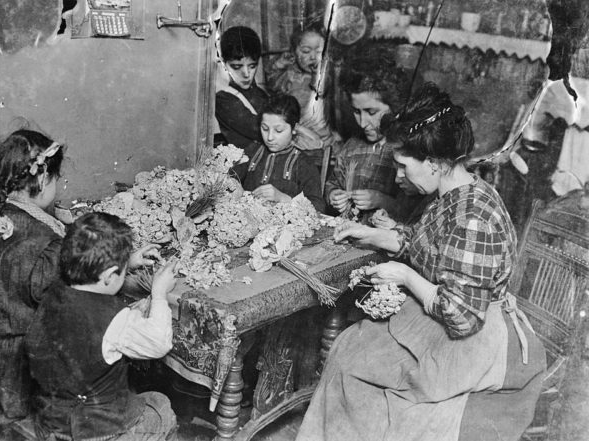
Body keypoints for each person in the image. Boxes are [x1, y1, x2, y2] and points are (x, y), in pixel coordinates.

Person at [296, 83, 546, 441]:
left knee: (359, 370)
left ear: (433, 163)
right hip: (445, 314)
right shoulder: (451, 193)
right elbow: (424, 243)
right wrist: (374, 236)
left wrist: (404, 276)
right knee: (350, 346)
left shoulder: (473, 216)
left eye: (402, 166)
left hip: (474, 338)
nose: (398, 176)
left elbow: (461, 316)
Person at [0, 129, 161, 422]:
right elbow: (81, 297)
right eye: (56, 177)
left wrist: (127, 260)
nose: (58, 184)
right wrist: (123, 271)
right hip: (24, 373)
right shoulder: (48, 244)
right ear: (41, 179)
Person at [26, 212, 178, 441]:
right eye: (122, 271)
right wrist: (159, 294)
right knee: (161, 405)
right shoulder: (113, 320)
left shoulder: (53, 292)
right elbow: (159, 344)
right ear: (108, 276)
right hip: (97, 433)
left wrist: (125, 262)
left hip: (52, 420)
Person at [325, 67, 408, 220]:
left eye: (371, 112)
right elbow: (333, 183)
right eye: (357, 112)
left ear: (394, 107)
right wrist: (333, 195)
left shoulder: (407, 151)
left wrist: (382, 201)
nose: (363, 123)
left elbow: (414, 212)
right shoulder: (351, 146)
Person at [230, 93, 325, 212]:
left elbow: (319, 207)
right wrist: (234, 185)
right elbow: (230, 177)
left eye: (278, 130)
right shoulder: (252, 151)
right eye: (264, 128)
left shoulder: (304, 164)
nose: (270, 137)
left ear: (294, 128)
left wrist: (285, 199)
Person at [265, 26, 338, 153]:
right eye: (305, 51)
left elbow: (321, 90)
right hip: (294, 136)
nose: (313, 57)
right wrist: (278, 65)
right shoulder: (289, 73)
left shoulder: (328, 74)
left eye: (319, 51)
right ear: (294, 52)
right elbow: (273, 86)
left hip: (322, 136)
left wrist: (318, 75)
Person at [215, 26, 269, 151]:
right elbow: (262, 129)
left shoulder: (258, 93)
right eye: (237, 67)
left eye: (252, 66)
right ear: (223, 62)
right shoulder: (223, 99)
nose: (246, 74)